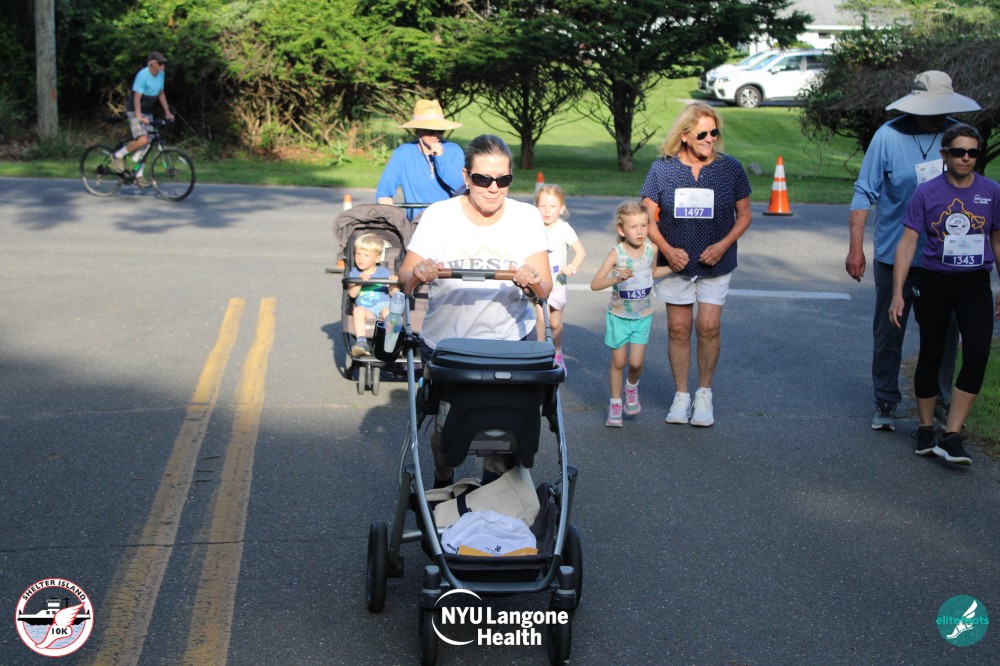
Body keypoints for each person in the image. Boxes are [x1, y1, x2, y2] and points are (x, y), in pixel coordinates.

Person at [400, 134, 551, 486]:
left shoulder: (526, 217)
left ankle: (490, 492)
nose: (493, 188)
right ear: (466, 176)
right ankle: (444, 479)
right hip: (448, 346)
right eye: (483, 179)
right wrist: (419, 272)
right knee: (447, 428)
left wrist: (531, 279)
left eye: (503, 179)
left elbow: (545, 288)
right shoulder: (440, 216)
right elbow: (405, 278)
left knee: (501, 427)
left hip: (508, 343)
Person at [847, 71, 981, 432]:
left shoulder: (960, 137)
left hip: (946, 257)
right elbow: (864, 192)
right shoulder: (888, 136)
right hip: (896, 254)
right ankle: (885, 398)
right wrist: (856, 248)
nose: (937, 115)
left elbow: (973, 192)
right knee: (889, 330)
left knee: (945, 333)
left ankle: (939, 399)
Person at [889, 123, 1000, 466]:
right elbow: (908, 242)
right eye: (959, 152)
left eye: (972, 152)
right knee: (932, 353)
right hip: (936, 280)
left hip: (974, 282)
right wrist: (897, 293)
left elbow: (997, 240)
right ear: (945, 154)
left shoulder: (991, 191)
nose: (966, 158)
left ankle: (952, 434)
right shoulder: (926, 193)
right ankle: (925, 428)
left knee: (978, 353)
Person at [640, 102, 752, 428]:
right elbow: (647, 219)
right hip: (675, 264)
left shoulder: (730, 168)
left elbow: (744, 215)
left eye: (714, 133)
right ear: (685, 135)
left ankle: (704, 394)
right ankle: (681, 395)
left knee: (708, 326)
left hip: (717, 262)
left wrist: (722, 245)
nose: (710, 139)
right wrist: (667, 249)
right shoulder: (662, 169)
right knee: (678, 329)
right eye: (702, 134)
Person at [591, 201, 673, 427]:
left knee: (636, 363)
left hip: (642, 316)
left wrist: (674, 268)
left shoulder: (651, 249)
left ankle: (631, 387)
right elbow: (595, 284)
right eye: (634, 227)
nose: (640, 231)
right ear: (621, 230)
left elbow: (652, 272)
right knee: (619, 361)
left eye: (644, 226)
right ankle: (615, 403)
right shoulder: (616, 254)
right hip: (618, 317)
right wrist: (617, 278)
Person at [376, 99, 465, 220]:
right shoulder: (403, 154)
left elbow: (461, 188)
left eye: (440, 130)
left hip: (449, 221)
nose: (436, 135)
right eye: (430, 131)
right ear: (418, 130)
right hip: (417, 223)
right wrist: (385, 202)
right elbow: (385, 189)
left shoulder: (454, 151)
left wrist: (441, 158)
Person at [535, 184, 586, 372]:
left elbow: (580, 252)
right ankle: (539, 355)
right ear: (536, 207)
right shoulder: (534, 228)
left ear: (562, 208)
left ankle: (557, 352)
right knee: (542, 318)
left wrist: (572, 267)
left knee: (555, 324)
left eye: (552, 206)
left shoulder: (564, 228)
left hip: (559, 284)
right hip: (539, 285)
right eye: (542, 206)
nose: (547, 211)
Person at [110, 52, 175, 177]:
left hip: (147, 111)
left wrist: (168, 113)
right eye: (160, 63)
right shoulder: (143, 75)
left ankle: (138, 175)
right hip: (135, 110)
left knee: (147, 145)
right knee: (143, 140)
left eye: (164, 63)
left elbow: (161, 94)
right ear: (151, 64)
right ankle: (118, 155)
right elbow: (137, 98)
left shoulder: (161, 74)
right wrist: (139, 115)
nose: (163, 65)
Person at [347, 233, 397, 358]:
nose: (361, 259)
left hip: (383, 307)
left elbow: (395, 294)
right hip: (367, 309)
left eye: (366, 255)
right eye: (358, 254)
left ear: (377, 258)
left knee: (389, 311)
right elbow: (352, 294)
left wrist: (393, 284)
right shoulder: (355, 273)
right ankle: (361, 342)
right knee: (357, 310)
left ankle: (391, 341)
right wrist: (359, 282)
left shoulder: (383, 272)